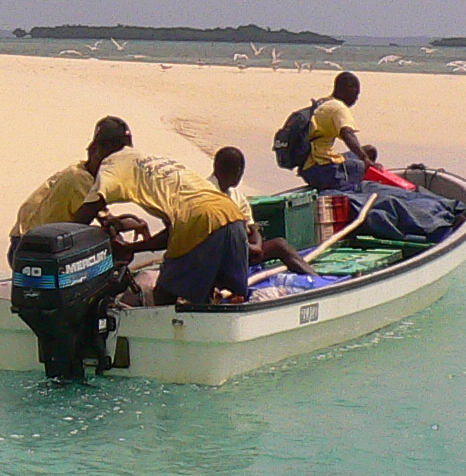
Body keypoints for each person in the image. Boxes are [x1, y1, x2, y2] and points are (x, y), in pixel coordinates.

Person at [81, 141, 253, 306]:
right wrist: (133, 248)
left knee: (163, 294)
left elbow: (89, 209)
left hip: (201, 219)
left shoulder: (112, 168)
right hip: (232, 214)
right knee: (234, 294)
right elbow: (175, 232)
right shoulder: (169, 168)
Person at [7, 116, 135, 267]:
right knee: (113, 245)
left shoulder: (77, 169)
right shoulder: (81, 181)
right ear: (94, 149)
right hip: (32, 252)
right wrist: (135, 225)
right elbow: (107, 224)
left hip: (23, 244)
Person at [214, 145, 309, 274]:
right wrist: (247, 248)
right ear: (237, 171)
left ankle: (315, 279)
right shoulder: (207, 194)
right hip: (218, 255)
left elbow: (252, 228)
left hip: (244, 251)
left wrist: (257, 246)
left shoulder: (237, 196)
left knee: (279, 244)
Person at [299, 72, 378, 192]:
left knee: (370, 151)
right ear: (347, 89)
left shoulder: (324, 102)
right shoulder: (338, 108)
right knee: (361, 169)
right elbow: (347, 134)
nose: (356, 98)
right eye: (355, 93)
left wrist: (365, 156)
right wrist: (365, 160)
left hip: (308, 165)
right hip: (321, 167)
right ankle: (351, 187)